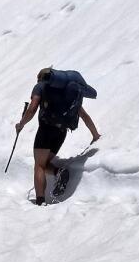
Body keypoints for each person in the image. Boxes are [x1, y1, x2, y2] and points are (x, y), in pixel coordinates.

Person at [15, 68, 102, 205]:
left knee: (39, 165)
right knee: (45, 164)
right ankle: (58, 171)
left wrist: (21, 124)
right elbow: (83, 115)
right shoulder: (67, 90)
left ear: (40, 78)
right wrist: (95, 135)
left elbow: (31, 109)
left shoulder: (40, 87)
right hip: (61, 132)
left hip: (45, 130)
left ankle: (40, 201)